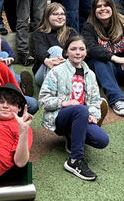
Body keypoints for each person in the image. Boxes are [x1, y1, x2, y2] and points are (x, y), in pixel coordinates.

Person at [39, 36, 109, 181]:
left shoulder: (90, 75)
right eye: (73, 49)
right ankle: (75, 160)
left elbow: (95, 101)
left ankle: (73, 136)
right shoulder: (57, 72)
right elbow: (43, 100)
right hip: (61, 117)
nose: (78, 52)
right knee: (80, 109)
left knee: (102, 140)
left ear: (86, 52)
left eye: (81, 49)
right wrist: (64, 102)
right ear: (66, 52)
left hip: (81, 116)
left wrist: (94, 115)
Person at [31, 3, 77, 85]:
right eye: (55, 14)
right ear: (47, 17)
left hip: (69, 69)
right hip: (43, 72)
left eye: (62, 14)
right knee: (55, 50)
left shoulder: (71, 32)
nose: (60, 17)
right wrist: (47, 61)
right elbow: (40, 51)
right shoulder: (39, 33)